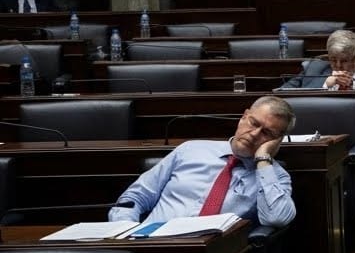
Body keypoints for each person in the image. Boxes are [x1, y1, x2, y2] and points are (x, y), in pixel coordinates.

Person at [109, 95, 297, 226]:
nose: (255, 134)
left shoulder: (275, 178)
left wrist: (263, 159)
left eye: (267, 133)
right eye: (253, 123)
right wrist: (126, 229)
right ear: (243, 116)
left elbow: (276, 218)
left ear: (277, 141)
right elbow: (134, 197)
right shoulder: (190, 150)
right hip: (152, 243)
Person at [279, 29, 355, 90]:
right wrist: (325, 85)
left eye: (344, 61)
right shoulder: (312, 69)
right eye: (333, 60)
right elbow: (282, 92)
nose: (338, 65)